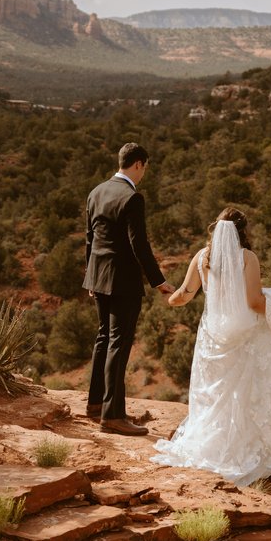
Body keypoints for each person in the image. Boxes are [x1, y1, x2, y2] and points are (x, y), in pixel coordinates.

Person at [151, 207, 271, 486]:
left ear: (216, 229)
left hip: (212, 336)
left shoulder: (201, 258)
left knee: (213, 395)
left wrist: (169, 298)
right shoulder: (247, 258)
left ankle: (212, 449)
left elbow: (183, 295)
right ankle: (242, 452)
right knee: (242, 396)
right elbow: (255, 303)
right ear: (243, 231)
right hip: (242, 336)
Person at [83, 142, 174, 436]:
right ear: (138, 164)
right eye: (145, 167)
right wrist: (158, 280)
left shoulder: (96, 192)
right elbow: (139, 244)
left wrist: (90, 277)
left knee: (103, 338)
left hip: (98, 277)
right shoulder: (132, 198)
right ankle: (113, 416)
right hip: (122, 281)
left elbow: (90, 239)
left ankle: (96, 403)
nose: (144, 172)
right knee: (118, 345)